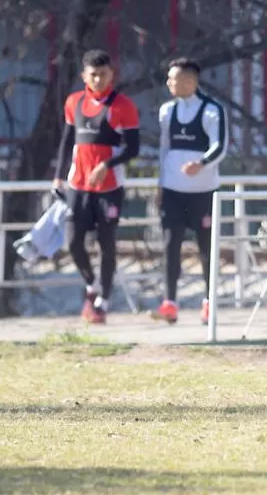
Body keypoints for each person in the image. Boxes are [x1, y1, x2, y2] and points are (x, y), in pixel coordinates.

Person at [53, 49, 141, 324]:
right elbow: (68, 140)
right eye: (94, 75)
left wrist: (107, 165)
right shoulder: (73, 102)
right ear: (84, 76)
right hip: (78, 186)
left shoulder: (123, 105)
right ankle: (92, 284)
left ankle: (103, 300)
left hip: (109, 188)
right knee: (73, 241)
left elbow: (133, 148)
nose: (99, 79)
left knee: (106, 244)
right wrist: (58, 176)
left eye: (104, 74)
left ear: (111, 74)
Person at [154, 58, 228, 325]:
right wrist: (160, 185)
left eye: (174, 79)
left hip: (203, 192)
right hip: (173, 192)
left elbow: (220, 146)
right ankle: (170, 302)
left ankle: (209, 301)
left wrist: (202, 163)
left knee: (206, 248)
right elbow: (164, 150)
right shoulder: (167, 111)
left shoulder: (212, 111)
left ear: (189, 81)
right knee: (170, 244)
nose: (169, 84)